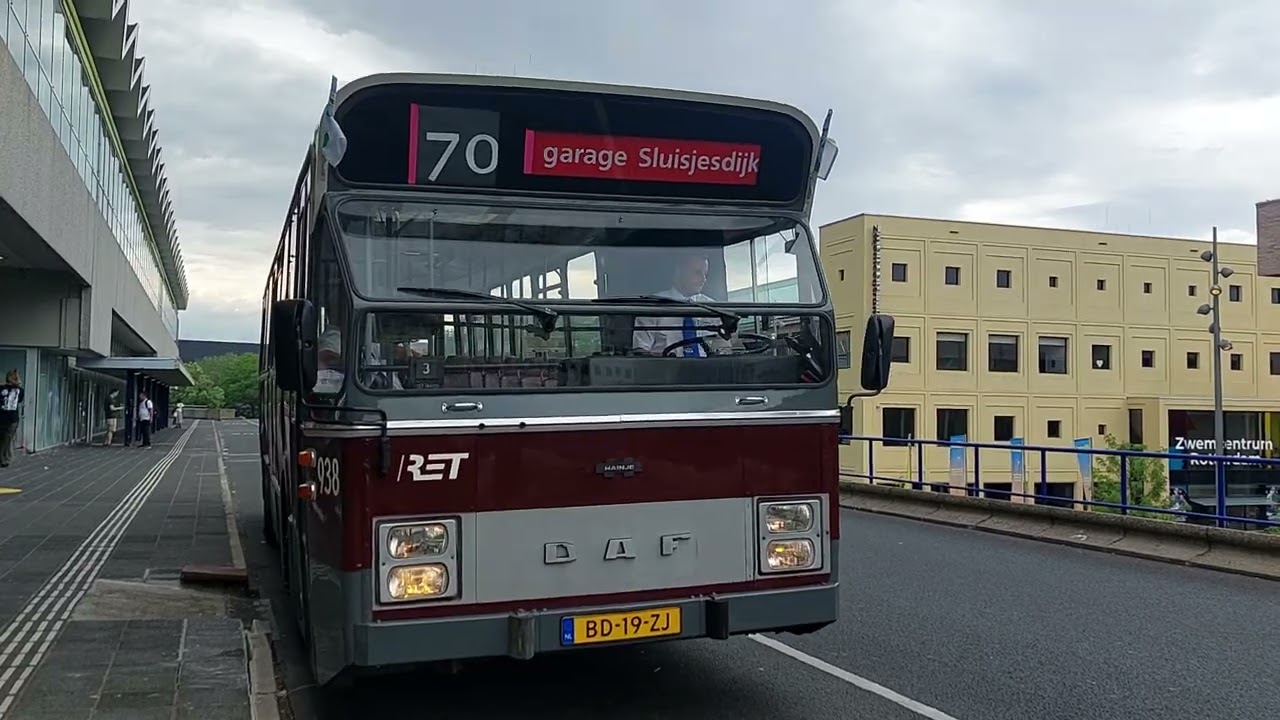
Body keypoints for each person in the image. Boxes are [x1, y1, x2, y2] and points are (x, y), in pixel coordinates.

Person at [632, 251, 722, 357]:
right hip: (665, 370)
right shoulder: (653, 306)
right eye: (697, 273)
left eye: (705, 274)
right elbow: (641, 350)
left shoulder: (713, 308)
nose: (703, 279)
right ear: (678, 271)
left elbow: (724, 348)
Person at [0, 370, 24, 468]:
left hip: (11, 419)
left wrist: (16, 385)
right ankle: (4, 457)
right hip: (4, 417)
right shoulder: (2, 388)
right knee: (4, 439)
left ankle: (3, 458)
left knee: (7, 439)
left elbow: (20, 399)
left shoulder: (19, 390)